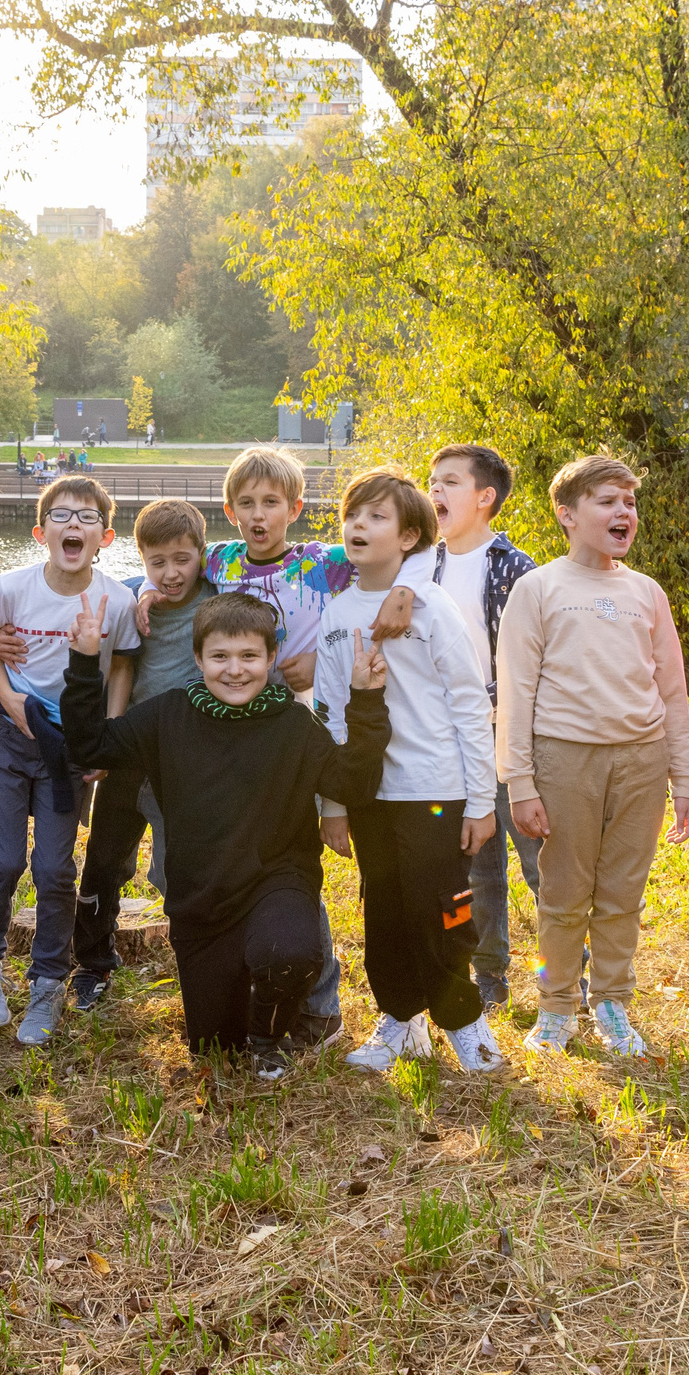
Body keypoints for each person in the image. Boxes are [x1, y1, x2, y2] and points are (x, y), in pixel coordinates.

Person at [156, 445, 426, 1047]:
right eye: (246, 504)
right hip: (236, 730)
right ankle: (249, 971)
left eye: (271, 503)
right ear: (229, 510)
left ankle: (321, 1000)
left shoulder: (323, 563)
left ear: (295, 508)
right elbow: (163, 571)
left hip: (300, 727)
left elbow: (402, 553)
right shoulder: (220, 562)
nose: (258, 515)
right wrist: (143, 597)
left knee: (294, 858)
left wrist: (403, 592)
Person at [62, 591, 389, 1079]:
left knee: (289, 953)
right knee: (213, 1048)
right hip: (202, 896)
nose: (235, 670)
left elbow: (353, 784)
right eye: (220, 656)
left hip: (277, 879)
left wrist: (366, 700)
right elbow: (90, 743)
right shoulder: (166, 716)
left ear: (270, 658)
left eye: (249, 656)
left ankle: (268, 1040)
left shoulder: (294, 724)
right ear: (198, 659)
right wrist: (85, 662)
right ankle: (239, 1014)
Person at [497, 454, 689, 1058]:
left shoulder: (647, 592)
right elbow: (516, 690)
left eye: (630, 503)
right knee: (562, 894)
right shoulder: (538, 588)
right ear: (567, 513)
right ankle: (556, 1007)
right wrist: (520, 782)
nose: (623, 513)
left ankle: (612, 1004)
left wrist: (682, 776)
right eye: (608, 501)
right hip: (563, 760)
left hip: (640, 760)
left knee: (621, 894)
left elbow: (671, 688)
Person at [314, 469, 505, 1073]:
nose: (358, 526)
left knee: (442, 908)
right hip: (372, 795)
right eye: (352, 515)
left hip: (437, 789)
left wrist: (481, 800)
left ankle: (464, 1020)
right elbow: (331, 716)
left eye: (376, 517)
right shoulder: (340, 611)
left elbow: (470, 702)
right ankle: (401, 1018)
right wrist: (334, 804)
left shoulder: (431, 605)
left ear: (409, 537)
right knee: (386, 910)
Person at [0, 475, 140, 1046]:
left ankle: (47, 984)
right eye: (61, 515)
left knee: (56, 869)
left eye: (87, 517)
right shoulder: (12, 587)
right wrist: (8, 696)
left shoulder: (118, 598)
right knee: (2, 861)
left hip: (70, 747)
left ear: (106, 536)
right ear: (41, 532)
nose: (74, 525)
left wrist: (105, 737)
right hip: (8, 736)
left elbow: (121, 668)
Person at [70, 497, 211, 1011]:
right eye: (158, 563)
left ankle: (198, 959)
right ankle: (93, 961)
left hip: (187, 756)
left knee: (187, 865)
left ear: (203, 553)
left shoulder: (218, 596)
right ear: (140, 559)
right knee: (106, 860)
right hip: (130, 751)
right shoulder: (129, 598)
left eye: (182, 559)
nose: (171, 573)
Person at [422, 443, 543, 1011]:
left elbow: (534, 660)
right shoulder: (423, 565)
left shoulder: (515, 569)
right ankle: (487, 975)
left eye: (449, 482)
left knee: (540, 864)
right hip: (447, 742)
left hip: (509, 738)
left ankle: (569, 977)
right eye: (432, 481)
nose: (435, 492)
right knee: (473, 868)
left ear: (484, 497)